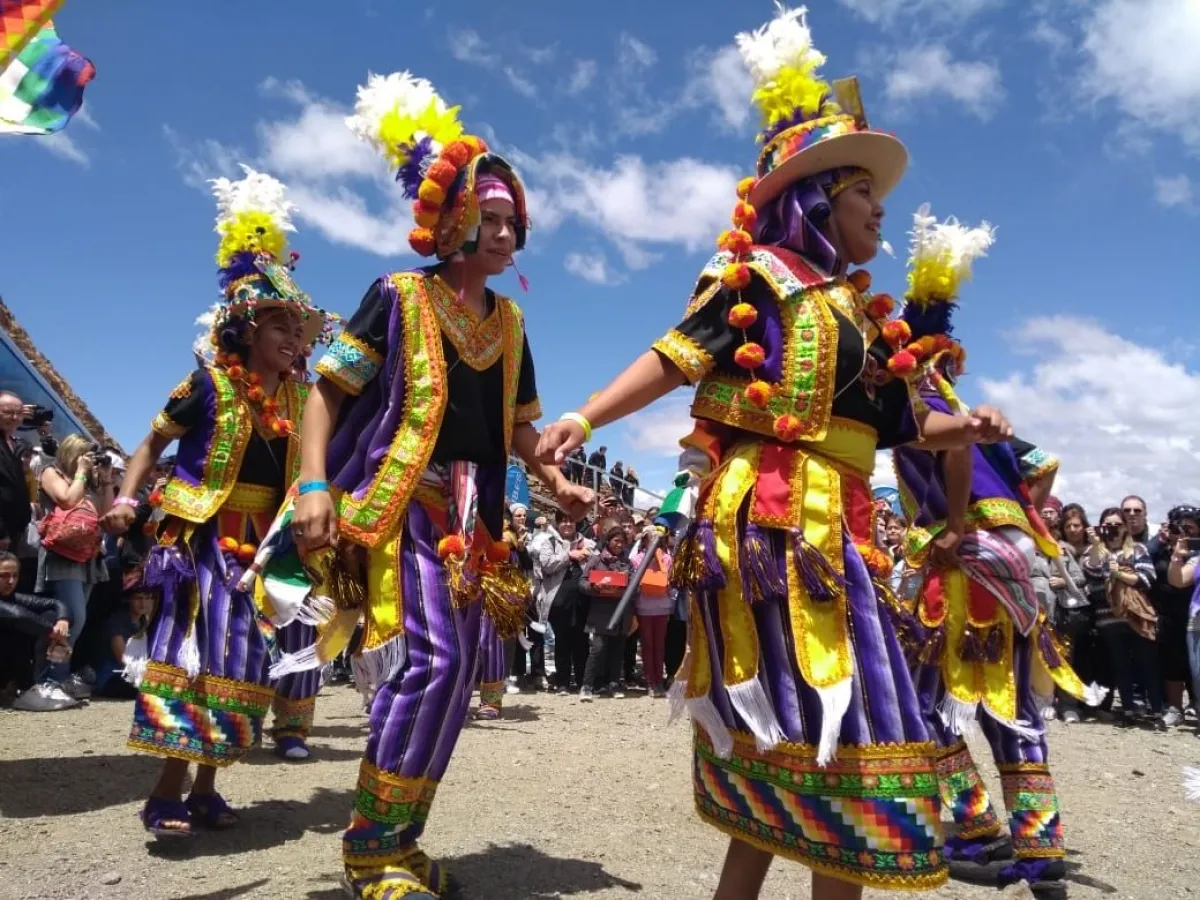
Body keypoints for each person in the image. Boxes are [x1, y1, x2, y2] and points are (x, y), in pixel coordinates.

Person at [536, 9, 1013, 897]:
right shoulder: (758, 280)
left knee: (825, 730)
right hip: (771, 523)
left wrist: (973, 428)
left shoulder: (864, 318)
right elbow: (678, 354)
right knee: (827, 722)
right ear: (820, 195)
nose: (880, 207)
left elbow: (905, 426)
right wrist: (586, 416)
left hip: (845, 529)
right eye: (866, 191)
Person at [284, 72, 591, 899]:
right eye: (486, 218)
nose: (501, 233)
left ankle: (398, 840)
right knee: (436, 662)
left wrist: (554, 476)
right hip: (400, 511)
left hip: (477, 528)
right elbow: (327, 391)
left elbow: (517, 428)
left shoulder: (512, 323)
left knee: (453, 679)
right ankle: (370, 851)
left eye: (509, 221)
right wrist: (313, 482)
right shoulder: (396, 295)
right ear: (449, 219)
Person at [102, 166, 338, 837]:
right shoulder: (206, 384)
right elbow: (150, 445)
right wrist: (126, 500)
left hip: (262, 549)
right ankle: (164, 795)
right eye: (280, 326)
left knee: (239, 667)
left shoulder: (300, 400)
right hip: (200, 540)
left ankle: (207, 791)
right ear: (245, 331)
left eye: (300, 328)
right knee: (192, 663)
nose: (295, 339)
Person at [889, 209, 1098, 896]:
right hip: (1008, 558)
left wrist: (953, 522)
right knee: (1010, 709)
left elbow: (958, 448)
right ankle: (1040, 852)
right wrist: (1026, 519)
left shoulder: (915, 394)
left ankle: (973, 831)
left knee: (922, 702)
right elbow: (1046, 462)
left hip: (966, 557)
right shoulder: (972, 407)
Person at [29, 433, 113, 703]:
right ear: (72, 453)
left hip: (87, 558)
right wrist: (80, 472)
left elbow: (107, 515)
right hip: (62, 556)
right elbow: (66, 500)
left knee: (76, 621)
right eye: (85, 455)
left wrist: (107, 478)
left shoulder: (88, 482)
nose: (89, 460)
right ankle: (47, 680)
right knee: (70, 620)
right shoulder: (50, 472)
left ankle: (57, 679)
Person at [1082, 506, 1160, 728]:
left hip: (1135, 615)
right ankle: (1128, 710)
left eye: (1117, 524)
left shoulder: (1138, 549)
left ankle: (1156, 711)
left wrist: (1118, 574)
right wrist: (1097, 544)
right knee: (1121, 665)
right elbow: (1092, 573)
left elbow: (1147, 579)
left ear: (1125, 527)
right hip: (1108, 618)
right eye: (1108, 525)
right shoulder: (1093, 550)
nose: (1113, 529)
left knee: (1147, 664)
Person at [0, 550, 77, 710]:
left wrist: (63, 620)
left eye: (15, 575)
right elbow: (18, 616)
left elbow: (54, 604)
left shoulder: (13, 596)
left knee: (49, 615)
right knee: (22, 626)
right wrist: (54, 633)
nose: (11, 581)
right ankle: (24, 688)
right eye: (4, 576)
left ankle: (31, 685)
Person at [1150, 505, 1199, 728]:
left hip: (1192, 610)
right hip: (1168, 611)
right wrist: (1162, 539)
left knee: (1195, 666)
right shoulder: (1161, 549)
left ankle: (1195, 705)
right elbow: (1145, 557)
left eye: (1190, 526)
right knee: (1173, 662)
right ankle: (1175, 708)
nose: (1185, 531)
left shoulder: (1197, 552)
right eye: (1180, 525)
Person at [578, 521, 633, 702]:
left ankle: (614, 683)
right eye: (616, 541)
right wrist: (595, 587)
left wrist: (624, 588)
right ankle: (587, 686)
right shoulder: (596, 560)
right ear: (608, 541)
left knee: (618, 649)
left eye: (622, 542)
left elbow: (636, 586)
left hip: (620, 612)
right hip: (600, 613)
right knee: (598, 649)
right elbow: (582, 583)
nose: (619, 544)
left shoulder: (627, 562)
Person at [0, 392, 32, 552]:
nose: (14, 418)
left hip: (15, 530)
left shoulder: (15, 444)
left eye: (19, 413)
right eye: (7, 412)